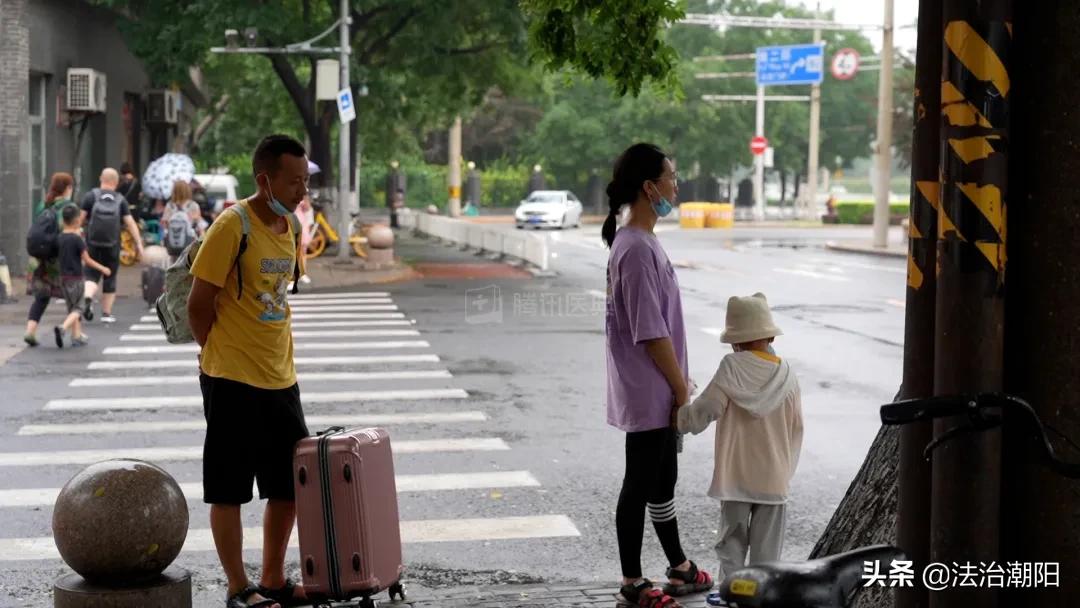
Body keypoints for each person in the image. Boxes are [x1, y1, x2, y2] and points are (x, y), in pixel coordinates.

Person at [187, 134, 310, 608]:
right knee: (229, 488)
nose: (301, 190)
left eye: (304, 181)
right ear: (265, 179)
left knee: (288, 488)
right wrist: (213, 352)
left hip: (281, 377)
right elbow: (200, 304)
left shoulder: (291, 226)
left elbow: (280, 298)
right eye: (293, 180)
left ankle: (274, 579)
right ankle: (239, 588)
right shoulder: (230, 226)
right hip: (232, 378)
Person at [603, 143, 713, 608]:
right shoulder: (633, 249)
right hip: (651, 387)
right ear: (650, 187)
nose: (676, 184)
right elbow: (650, 332)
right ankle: (632, 582)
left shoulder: (645, 242)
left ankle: (679, 565)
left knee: (662, 478)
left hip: (660, 386)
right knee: (639, 481)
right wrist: (679, 387)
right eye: (671, 176)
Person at [674, 293, 803, 582]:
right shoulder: (788, 375)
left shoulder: (732, 367)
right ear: (770, 336)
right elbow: (797, 430)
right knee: (767, 555)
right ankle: (762, 598)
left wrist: (681, 415)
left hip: (735, 478)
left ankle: (732, 595)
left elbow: (706, 410)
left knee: (731, 545)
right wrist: (784, 473)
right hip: (774, 479)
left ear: (735, 340)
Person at [80, 167, 144, 323]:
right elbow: (130, 223)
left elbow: (79, 221)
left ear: (101, 179)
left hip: (92, 243)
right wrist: (139, 245)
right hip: (113, 244)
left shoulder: (91, 196)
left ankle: (88, 296)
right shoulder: (120, 199)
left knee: (91, 274)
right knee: (110, 276)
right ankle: (106, 314)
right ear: (115, 182)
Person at [24, 173, 74, 346]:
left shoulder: (43, 205)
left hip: (38, 260)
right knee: (73, 296)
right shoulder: (68, 207)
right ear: (68, 188)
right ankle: (76, 334)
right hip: (58, 259)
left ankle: (30, 331)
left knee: (41, 297)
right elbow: (69, 231)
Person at [53, 204, 112, 348]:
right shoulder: (77, 239)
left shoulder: (59, 238)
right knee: (79, 308)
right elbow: (87, 260)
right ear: (77, 220)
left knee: (71, 308)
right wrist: (103, 268)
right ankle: (62, 328)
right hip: (76, 278)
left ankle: (76, 336)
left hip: (63, 278)